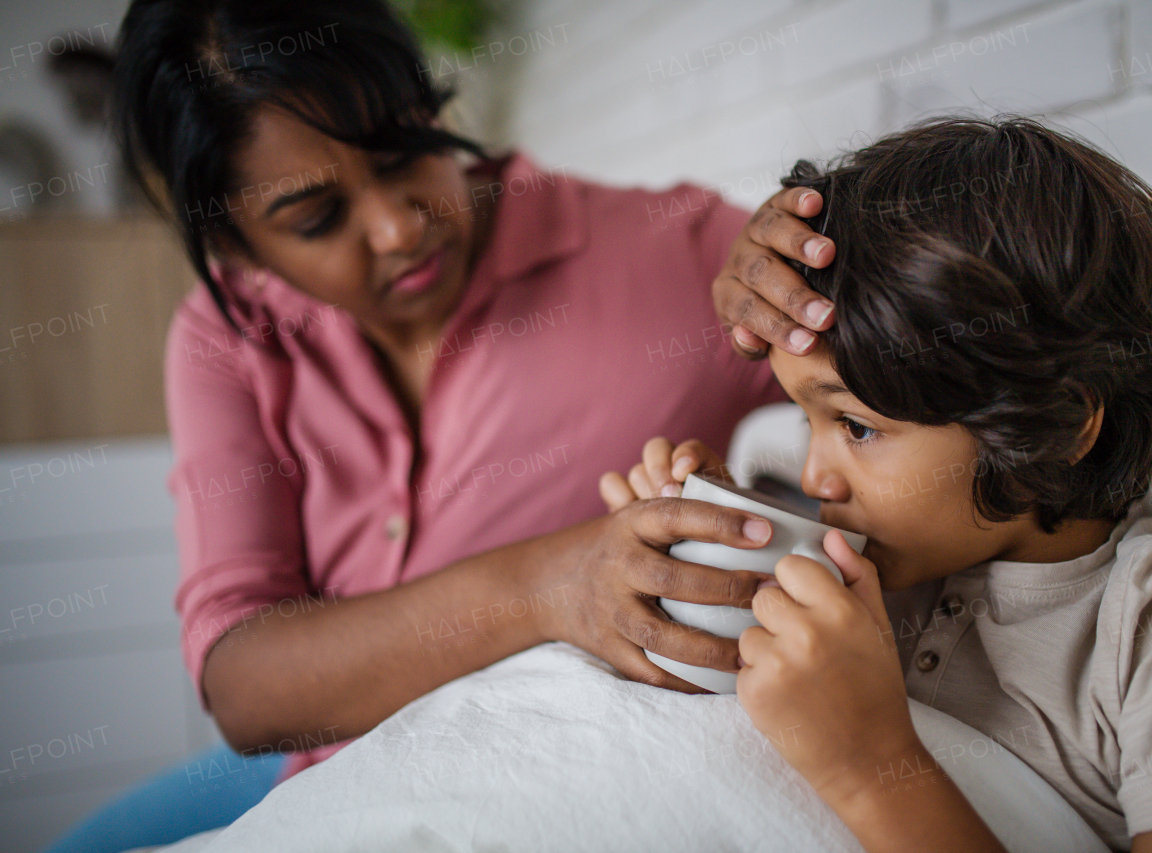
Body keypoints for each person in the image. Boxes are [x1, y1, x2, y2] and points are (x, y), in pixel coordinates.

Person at [43, 0, 842, 850]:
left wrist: (794, 277)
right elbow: (247, 686)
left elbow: (897, 370)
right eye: (316, 219)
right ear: (238, 248)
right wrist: (554, 581)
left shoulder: (673, 255)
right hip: (318, 788)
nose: (397, 228)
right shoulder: (225, 334)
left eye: (404, 154)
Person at [608, 116, 1152, 851]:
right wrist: (686, 569)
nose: (813, 475)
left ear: (1054, 426)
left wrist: (873, 768)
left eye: (856, 426)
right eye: (809, 422)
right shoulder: (865, 564)